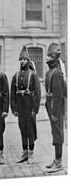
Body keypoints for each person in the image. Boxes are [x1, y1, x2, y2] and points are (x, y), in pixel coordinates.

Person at [10, 46, 41, 163]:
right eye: (21, 59)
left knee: (30, 130)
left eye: (24, 59)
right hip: (20, 107)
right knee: (22, 128)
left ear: (28, 60)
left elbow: (37, 93)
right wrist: (14, 108)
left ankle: (31, 153)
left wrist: (35, 109)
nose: (22, 61)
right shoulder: (16, 75)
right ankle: (24, 152)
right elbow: (12, 93)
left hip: (30, 107)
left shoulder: (33, 75)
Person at [45, 43, 67, 172]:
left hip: (55, 108)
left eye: (49, 56)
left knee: (58, 133)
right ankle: (56, 159)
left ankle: (59, 162)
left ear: (53, 58)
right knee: (55, 132)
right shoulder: (50, 72)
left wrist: (54, 112)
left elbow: (58, 95)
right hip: (51, 106)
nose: (47, 58)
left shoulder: (56, 73)